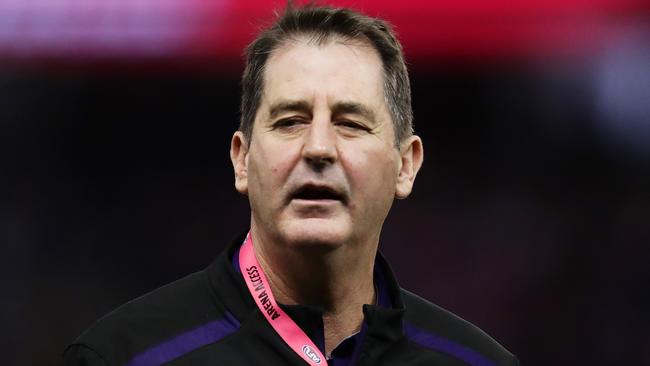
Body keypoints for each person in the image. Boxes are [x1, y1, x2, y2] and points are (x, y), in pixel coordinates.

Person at [62, 3, 519, 366]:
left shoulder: (478, 362)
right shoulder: (122, 355)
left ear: (405, 165)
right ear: (242, 160)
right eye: (290, 121)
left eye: (351, 123)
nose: (318, 148)